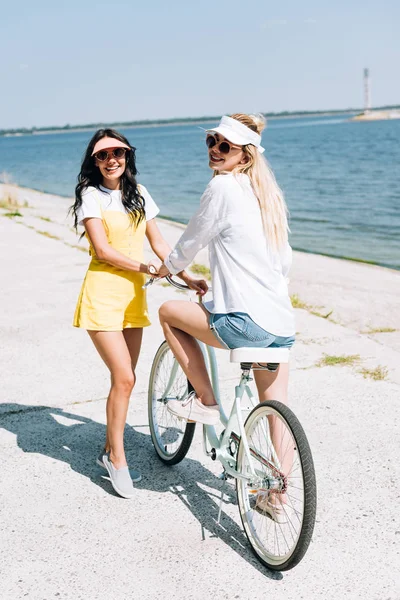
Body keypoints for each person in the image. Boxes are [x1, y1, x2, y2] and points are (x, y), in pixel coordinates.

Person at [157, 114, 295, 521]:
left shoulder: (221, 187)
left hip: (243, 322)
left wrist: (166, 268)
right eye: (211, 143)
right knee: (277, 405)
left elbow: (190, 242)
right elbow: (278, 262)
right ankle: (279, 496)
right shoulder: (266, 196)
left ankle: (206, 401)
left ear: (244, 156)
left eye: (224, 146)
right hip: (280, 324)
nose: (214, 152)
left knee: (169, 312)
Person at [70, 129, 202, 499]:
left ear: (128, 156)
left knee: (125, 381)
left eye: (119, 152)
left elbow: (160, 243)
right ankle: (117, 458)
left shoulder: (138, 194)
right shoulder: (90, 195)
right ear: (94, 161)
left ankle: (110, 448)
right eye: (103, 155)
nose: (112, 160)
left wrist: (186, 275)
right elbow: (103, 250)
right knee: (124, 377)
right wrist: (146, 269)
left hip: (132, 299)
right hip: (102, 294)